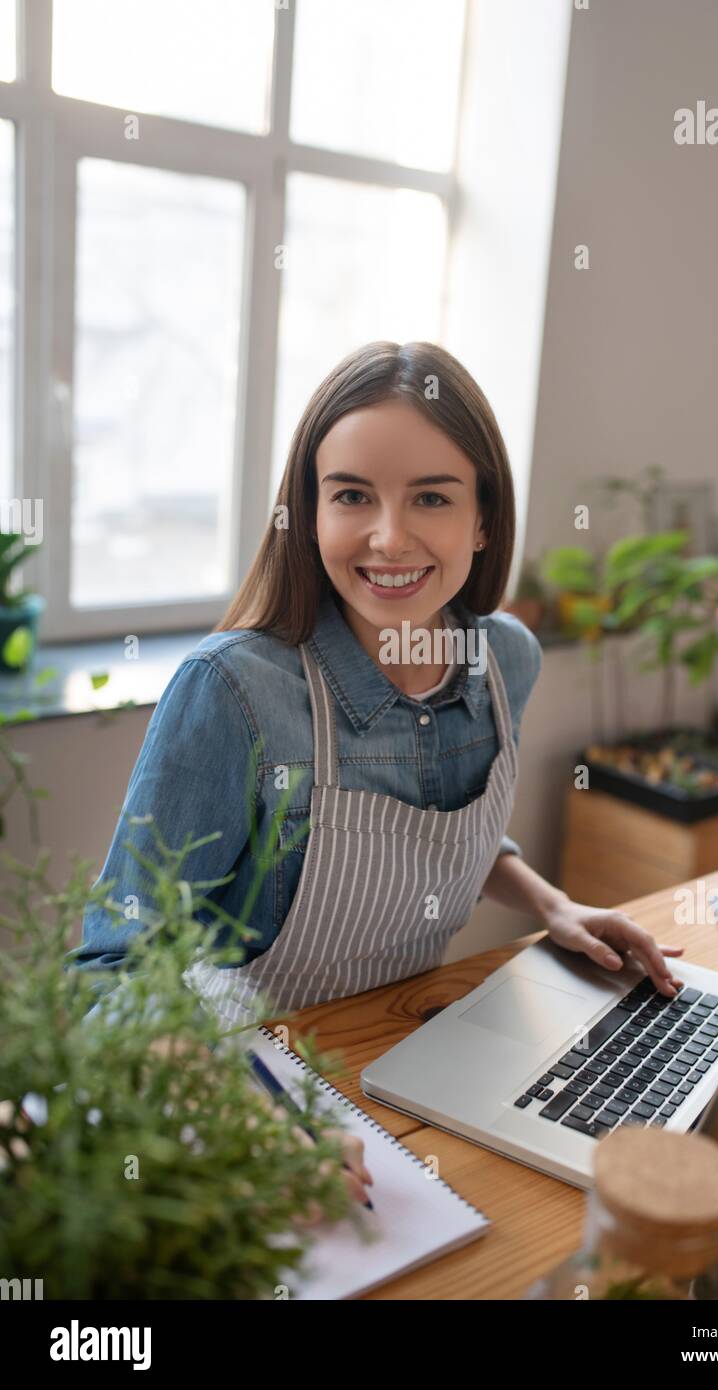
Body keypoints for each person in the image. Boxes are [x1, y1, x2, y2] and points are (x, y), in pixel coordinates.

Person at [72, 340, 684, 1215]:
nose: (388, 538)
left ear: (482, 519)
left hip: (404, 1071)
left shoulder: (504, 660)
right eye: (352, 495)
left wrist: (554, 904)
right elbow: (113, 965)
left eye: (431, 497)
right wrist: (253, 1107)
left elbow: (448, 827)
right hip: (244, 1101)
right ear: (307, 514)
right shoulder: (235, 692)